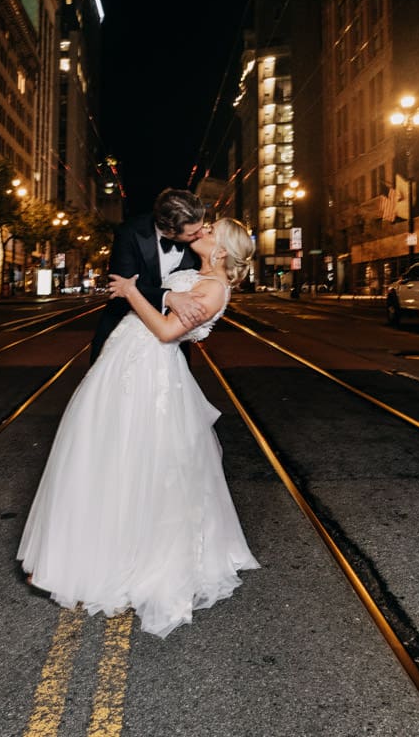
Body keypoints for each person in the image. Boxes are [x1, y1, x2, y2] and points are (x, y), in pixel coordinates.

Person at [18, 217, 260, 638]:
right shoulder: (197, 271)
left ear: (221, 251)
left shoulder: (215, 287)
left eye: (210, 231)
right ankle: (75, 558)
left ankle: (110, 564)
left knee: (133, 461)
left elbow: (167, 331)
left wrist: (131, 292)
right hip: (124, 363)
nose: (201, 231)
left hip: (150, 376)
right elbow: (156, 264)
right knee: (100, 456)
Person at [89, 188, 211, 363]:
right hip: (124, 331)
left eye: (202, 227)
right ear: (169, 231)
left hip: (171, 340)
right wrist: (168, 297)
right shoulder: (129, 232)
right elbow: (119, 286)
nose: (200, 235)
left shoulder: (200, 244)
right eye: (192, 233)